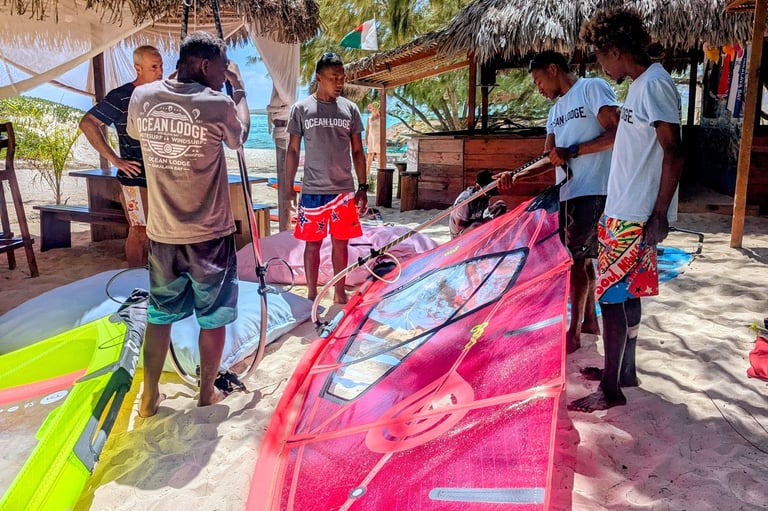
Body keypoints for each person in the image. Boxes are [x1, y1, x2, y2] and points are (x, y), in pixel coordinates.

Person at [126, 31, 250, 417]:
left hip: (163, 235)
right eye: (222, 70)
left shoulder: (142, 98)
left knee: (159, 316)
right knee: (212, 320)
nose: (223, 76)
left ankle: (150, 396)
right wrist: (240, 92)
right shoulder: (219, 104)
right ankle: (205, 394)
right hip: (209, 236)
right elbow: (240, 137)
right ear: (206, 65)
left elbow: (134, 132)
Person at [568, 8, 684, 412]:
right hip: (624, 208)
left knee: (612, 300)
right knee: (626, 292)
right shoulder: (640, 86)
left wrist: (659, 214)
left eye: (601, 57)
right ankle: (623, 371)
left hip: (635, 213)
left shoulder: (654, 85)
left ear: (614, 50)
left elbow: (674, 151)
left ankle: (611, 390)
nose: (601, 66)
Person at [499, 51, 619, 354]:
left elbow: (617, 132)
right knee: (582, 257)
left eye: (539, 80)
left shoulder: (591, 88)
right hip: (569, 191)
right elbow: (548, 156)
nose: (539, 88)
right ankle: (590, 321)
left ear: (554, 69)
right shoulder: (555, 112)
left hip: (595, 187)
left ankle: (574, 333)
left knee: (576, 261)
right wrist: (515, 175)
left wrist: (574, 151)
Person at [285, 52, 367, 304]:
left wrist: (363, 186)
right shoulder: (301, 109)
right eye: (334, 78)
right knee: (313, 245)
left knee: (341, 246)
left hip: (343, 190)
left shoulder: (350, 109)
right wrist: (288, 187)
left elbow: (357, 150)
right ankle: (312, 293)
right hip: (312, 191)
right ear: (319, 78)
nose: (340, 83)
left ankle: (339, 292)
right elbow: (293, 150)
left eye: (342, 77)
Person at [79, 45, 163, 267]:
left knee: (165, 233)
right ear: (138, 68)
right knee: (139, 231)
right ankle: (134, 279)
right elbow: (88, 123)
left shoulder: (166, 94)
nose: (160, 71)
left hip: (164, 176)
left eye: (161, 65)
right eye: (154, 67)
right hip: (135, 177)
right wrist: (114, 159)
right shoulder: (122, 96)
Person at [449, 170, 506, 239]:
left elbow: (482, 214)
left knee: (500, 205)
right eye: (488, 193)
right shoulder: (465, 200)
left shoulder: (484, 197)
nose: (489, 196)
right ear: (478, 187)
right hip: (460, 236)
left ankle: (490, 232)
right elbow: (460, 226)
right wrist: (483, 224)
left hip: (477, 222)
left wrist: (486, 220)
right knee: (475, 226)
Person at [366, 100, 381, 172]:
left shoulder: (381, 118)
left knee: (379, 154)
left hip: (378, 138)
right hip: (371, 137)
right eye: (372, 109)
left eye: (375, 108)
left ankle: (380, 170)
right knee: (370, 154)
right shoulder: (369, 118)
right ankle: (367, 171)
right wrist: (366, 139)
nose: (373, 110)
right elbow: (367, 130)